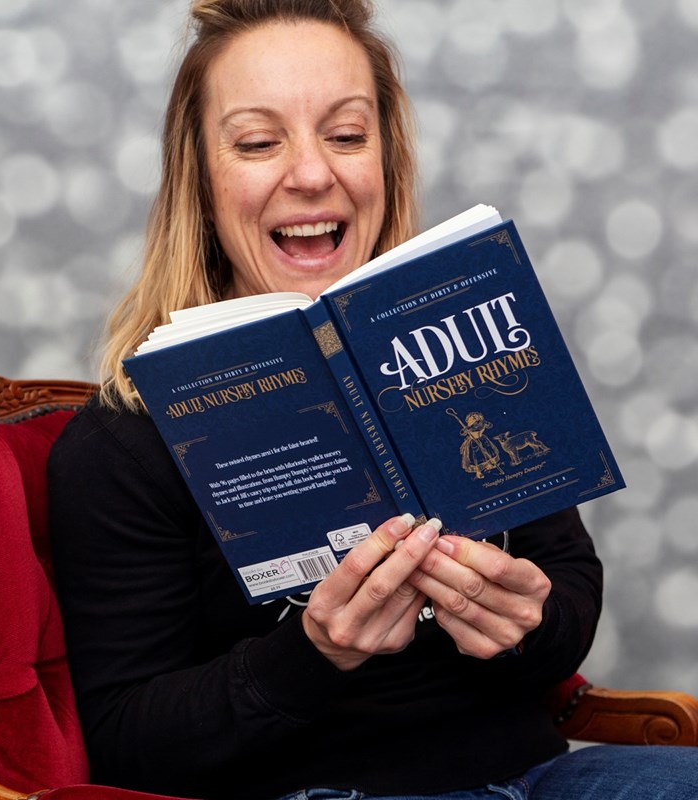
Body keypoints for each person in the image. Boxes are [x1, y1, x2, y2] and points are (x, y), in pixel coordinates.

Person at [47, 2, 697, 799]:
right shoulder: (120, 444)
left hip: (535, 776)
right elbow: (124, 742)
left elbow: (565, 582)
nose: (312, 174)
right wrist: (312, 652)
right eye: (258, 142)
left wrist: (531, 622)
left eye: (347, 135)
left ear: (386, 161)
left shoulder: (464, 346)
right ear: (201, 183)